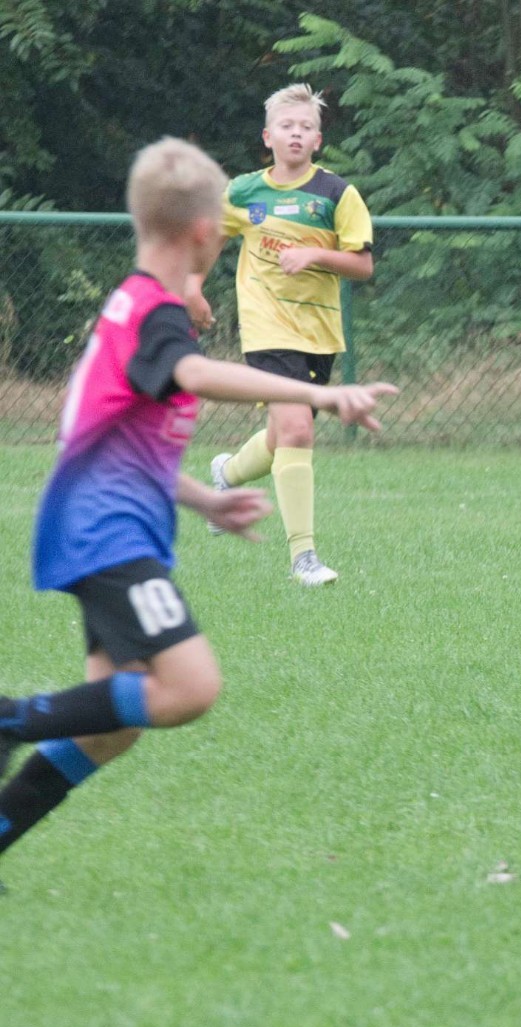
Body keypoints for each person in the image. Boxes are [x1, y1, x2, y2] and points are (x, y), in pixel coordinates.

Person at [0, 137, 396, 883]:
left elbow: (112, 441)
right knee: (189, 687)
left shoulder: (134, 304)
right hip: (106, 533)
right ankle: (10, 718)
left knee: (111, 726)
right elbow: (194, 373)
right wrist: (318, 393)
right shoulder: (156, 314)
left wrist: (206, 496)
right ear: (208, 234)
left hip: (97, 520)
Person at [185, 82, 375, 587]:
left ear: (318, 140)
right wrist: (193, 288)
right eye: (286, 126)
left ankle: (227, 475)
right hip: (266, 328)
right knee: (297, 432)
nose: (296, 134)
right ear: (267, 137)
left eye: (306, 127)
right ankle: (303, 558)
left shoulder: (337, 194)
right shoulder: (244, 191)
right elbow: (209, 240)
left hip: (320, 331)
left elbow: (362, 266)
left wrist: (316, 255)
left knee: (283, 435)